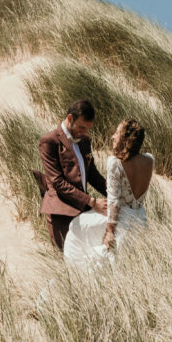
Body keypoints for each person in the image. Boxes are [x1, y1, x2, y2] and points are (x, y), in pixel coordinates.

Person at [64, 119, 154, 272]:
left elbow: (114, 202)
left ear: (125, 139)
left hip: (122, 221)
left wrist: (110, 232)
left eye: (117, 133)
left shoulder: (115, 163)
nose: (113, 137)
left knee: (76, 226)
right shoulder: (149, 160)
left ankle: (77, 273)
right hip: (140, 219)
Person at [38, 99, 109, 250]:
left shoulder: (85, 140)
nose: (84, 132)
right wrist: (91, 201)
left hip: (82, 210)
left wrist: (114, 194)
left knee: (85, 255)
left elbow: (92, 174)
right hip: (61, 212)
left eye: (87, 129)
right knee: (65, 257)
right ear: (70, 118)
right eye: (81, 127)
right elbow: (57, 182)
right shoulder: (49, 141)